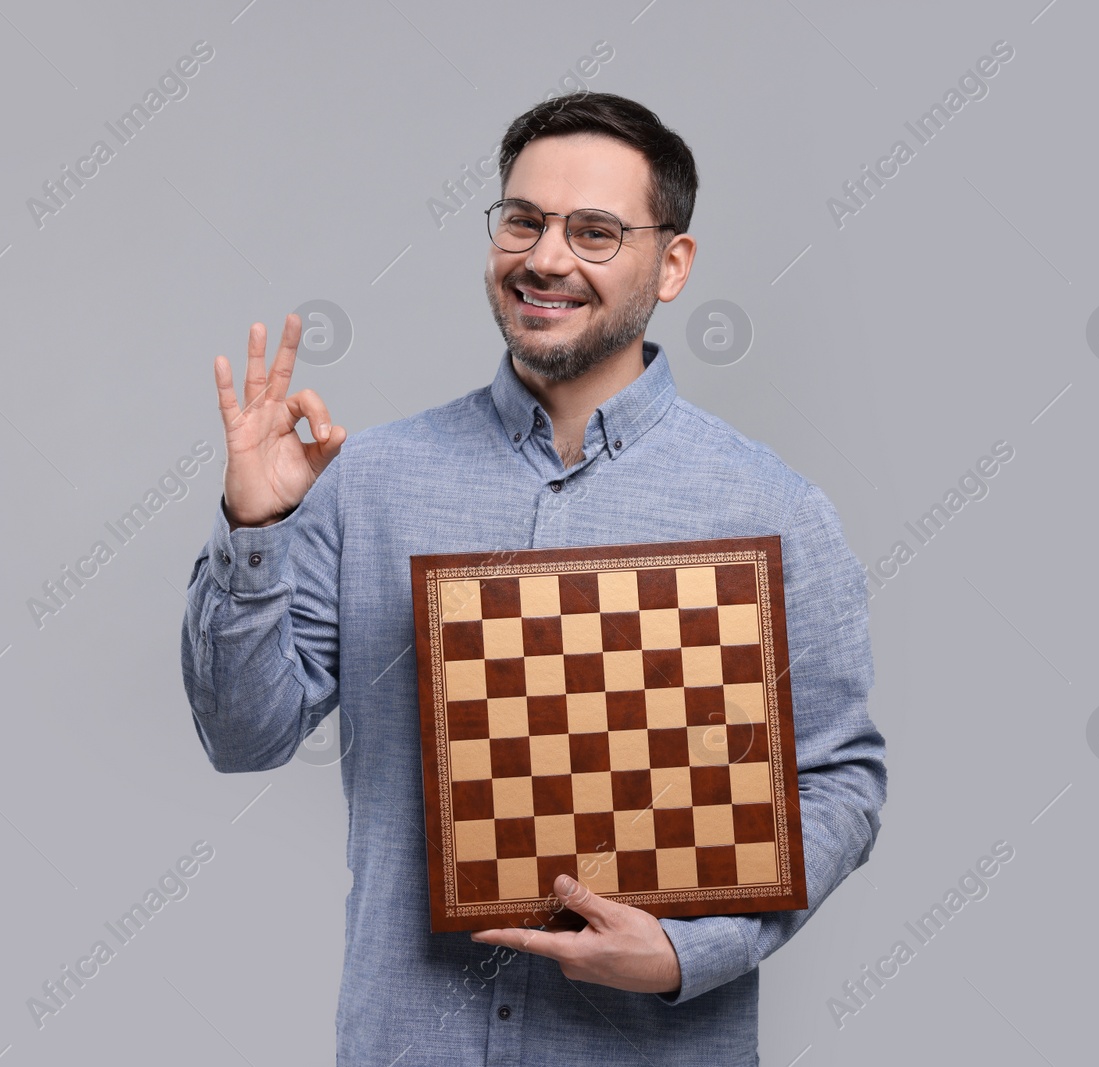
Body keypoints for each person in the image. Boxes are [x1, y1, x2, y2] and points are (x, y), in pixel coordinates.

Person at [179, 91, 886, 1066]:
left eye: (595, 231)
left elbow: (838, 779)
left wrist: (691, 947)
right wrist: (255, 527)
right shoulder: (367, 482)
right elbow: (241, 735)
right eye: (523, 219)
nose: (546, 258)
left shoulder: (772, 508)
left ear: (671, 264)